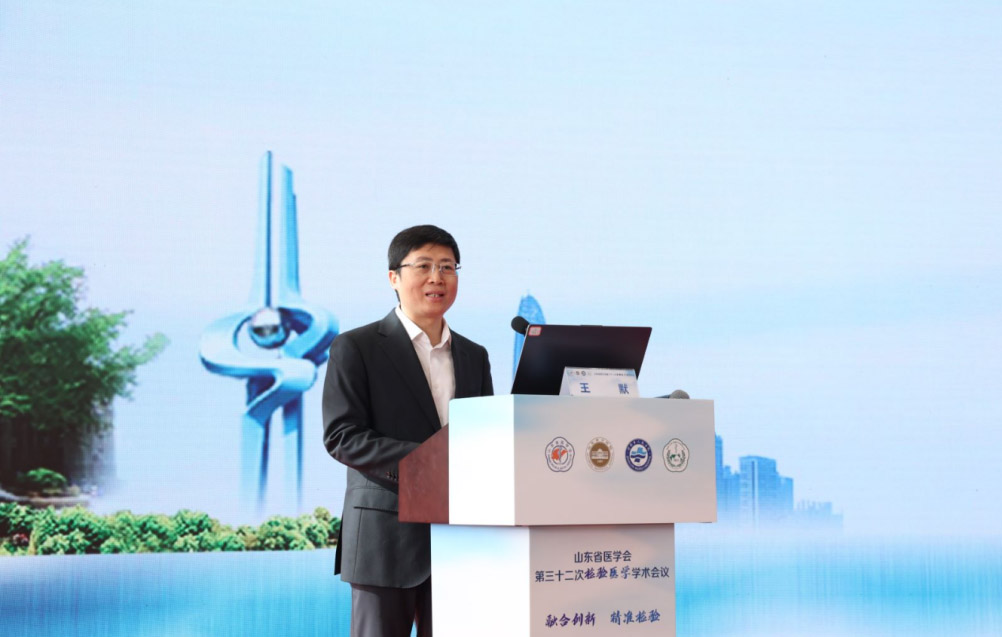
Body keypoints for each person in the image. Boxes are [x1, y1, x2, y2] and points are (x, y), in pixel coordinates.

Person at [322, 224, 494, 637]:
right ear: (394, 278)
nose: (437, 278)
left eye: (447, 267)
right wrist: (428, 462)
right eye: (424, 266)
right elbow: (342, 435)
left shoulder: (474, 355)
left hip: (460, 540)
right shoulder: (356, 347)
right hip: (384, 540)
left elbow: (483, 436)